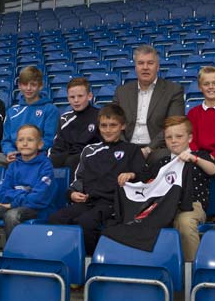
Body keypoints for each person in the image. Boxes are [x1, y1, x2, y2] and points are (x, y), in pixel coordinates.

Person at [48, 103, 145, 255]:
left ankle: (90, 259)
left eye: (113, 125)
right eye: (103, 125)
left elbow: (143, 176)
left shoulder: (132, 150)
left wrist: (131, 175)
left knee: (86, 222)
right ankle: (66, 256)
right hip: (89, 201)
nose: (107, 130)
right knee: (56, 218)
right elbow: (78, 180)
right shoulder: (89, 150)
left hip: (114, 203)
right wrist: (72, 193)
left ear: (123, 126)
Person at [116, 116, 215, 261]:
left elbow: (213, 170)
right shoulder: (162, 162)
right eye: (169, 137)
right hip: (164, 206)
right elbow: (145, 178)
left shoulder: (199, 156)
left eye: (179, 136)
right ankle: (150, 265)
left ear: (190, 138)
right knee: (140, 220)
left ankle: (191, 270)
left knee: (185, 222)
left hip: (192, 206)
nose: (173, 140)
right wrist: (130, 175)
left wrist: (194, 159)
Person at [0, 124, 58, 238]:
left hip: (38, 210)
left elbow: (38, 198)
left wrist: (12, 202)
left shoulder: (46, 166)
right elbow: (2, 193)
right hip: (12, 205)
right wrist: (23, 196)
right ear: (16, 144)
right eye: (20, 140)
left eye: (30, 140)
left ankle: (13, 251)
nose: (24, 143)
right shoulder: (13, 165)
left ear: (40, 144)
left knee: (12, 215)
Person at [0, 66, 59, 168]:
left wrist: (29, 151)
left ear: (40, 86)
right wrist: (10, 152)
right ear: (19, 86)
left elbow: (49, 140)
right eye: (25, 84)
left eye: (33, 85)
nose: (28, 88)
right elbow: (6, 140)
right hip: (14, 155)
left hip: (36, 155)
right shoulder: (12, 111)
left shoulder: (50, 109)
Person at [113, 44, 185, 164]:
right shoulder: (122, 91)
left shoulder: (173, 90)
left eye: (150, 63)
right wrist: (127, 148)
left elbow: (173, 125)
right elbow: (113, 122)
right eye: (141, 63)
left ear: (157, 67)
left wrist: (148, 149)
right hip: (127, 146)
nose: (145, 67)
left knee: (163, 158)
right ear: (135, 67)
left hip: (157, 148)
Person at [48, 77, 100, 179]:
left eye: (80, 96)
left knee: (73, 160)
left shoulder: (100, 116)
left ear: (89, 96)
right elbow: (57, 146)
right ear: (68, 98)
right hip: (67, 156)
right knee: (49, 161)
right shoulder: (65, 118)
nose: (76, 100)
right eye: (72, 97)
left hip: (89, 158)